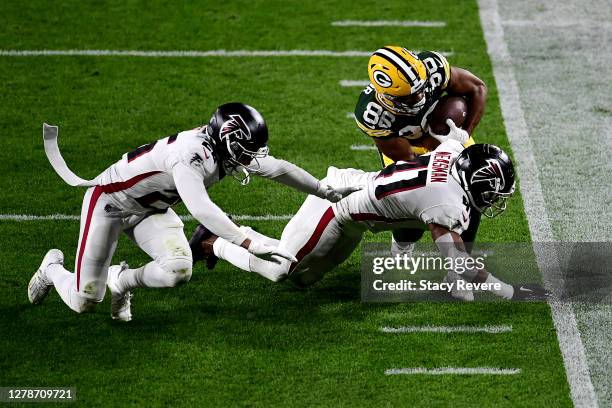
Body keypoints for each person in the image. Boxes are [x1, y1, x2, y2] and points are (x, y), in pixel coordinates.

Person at [28, 102, 360, 321]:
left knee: (178, 270)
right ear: (226, 138)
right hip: (110, 205)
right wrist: (247, 242)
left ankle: (121, 281)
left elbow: (276, 168)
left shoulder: (219, 145)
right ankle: (52, 267)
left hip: (152, 209)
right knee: (84, 301)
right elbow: (200, 208)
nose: (249, 160)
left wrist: (323, 190)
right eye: (244, 152)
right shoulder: (190, 155)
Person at [190, 139, 548, 301]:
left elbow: (452, 142)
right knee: (283, 271)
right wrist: (510, 290)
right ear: (478, 183)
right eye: (494, 192)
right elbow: (458, 261)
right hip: (335, 207)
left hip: (356, 201)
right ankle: (216, 240)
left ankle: (224, 240)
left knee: (303, 284)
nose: (495, 201)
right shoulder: (445, 202)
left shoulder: (454, 156)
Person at [354, 46, 488, 254]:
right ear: (387, 96)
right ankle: (402, 244)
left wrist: (463, 134)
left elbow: (477, 88)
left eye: (421, 89)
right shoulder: (373, 113)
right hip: (411, 147)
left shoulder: (432, 67)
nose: (419, 98)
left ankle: (461, 264)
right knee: (412, 206)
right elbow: (407, 156)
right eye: (409, 96)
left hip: (451, 135)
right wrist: (442, 145)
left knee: (472, 194)